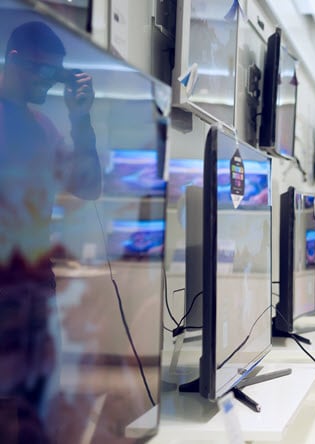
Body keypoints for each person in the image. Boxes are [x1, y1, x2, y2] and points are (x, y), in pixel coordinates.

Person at [0, 20, 101, 443]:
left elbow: (89, 186)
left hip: (35, 292)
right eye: (43, 71)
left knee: (33, 406)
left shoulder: (44, 127)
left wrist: (81, 121)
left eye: (55, 73)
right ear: (15, 61)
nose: (48, 82)